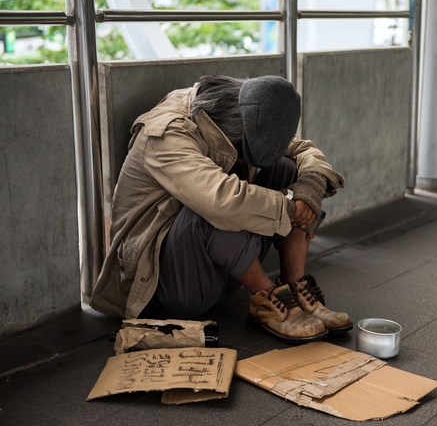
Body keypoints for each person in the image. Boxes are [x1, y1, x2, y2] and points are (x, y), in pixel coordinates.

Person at [90, 75, 352, 344]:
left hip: (220, 267)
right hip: (162, 288)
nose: (241, 159)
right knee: (212, 209)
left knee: (287, 169)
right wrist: (291, 209)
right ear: (225, 118)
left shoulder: (242, 110)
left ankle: (294, 289)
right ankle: (268, 300)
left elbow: (302, 148)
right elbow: (219, 200)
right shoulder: (166, 133)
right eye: (240, 150)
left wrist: (310, 187)